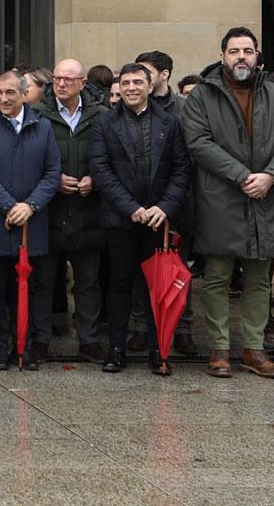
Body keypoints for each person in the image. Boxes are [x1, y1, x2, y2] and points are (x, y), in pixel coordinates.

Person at [180, 27, 274, 380]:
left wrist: (271, 175)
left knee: (259, 279)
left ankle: (254, 349)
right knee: (217, 276)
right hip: (221, 197)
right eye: (234, 51)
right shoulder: (203, 96)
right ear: (223, 56)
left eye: (247, 51)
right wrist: (242, 175)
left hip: (267, 196)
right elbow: (198, 142)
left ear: (257, 55)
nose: (241, 57)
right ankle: (219, 349)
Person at [86, 63, 190, 375]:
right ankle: (116, 350)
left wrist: (164, 207)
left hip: (158, 219)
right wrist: (130, 207)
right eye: (126, 82)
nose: (131, 87)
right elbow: (101, 170)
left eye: (137, 82)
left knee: (156, 287)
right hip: (121, 219)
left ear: (149, 86)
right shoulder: (104, 123)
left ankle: (159, 351)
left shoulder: (170, 122)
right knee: (119, 283)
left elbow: (182, 169)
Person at [0, 69, 62, 371]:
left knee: (29, 288)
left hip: (32, 223)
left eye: (10, 93)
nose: (3, 98)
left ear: (24, 94)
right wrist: (9, 206)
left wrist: (30, 206)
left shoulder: (42, 126)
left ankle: (25, 345)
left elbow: (51, 172)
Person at [31, 58, 104, 361]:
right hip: (50, 208)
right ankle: (40, 339)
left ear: (83, 83)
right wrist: (53, 180)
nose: (61, 84)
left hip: (89, 211)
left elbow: (110, 157)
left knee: (88, 280)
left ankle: (88, 338)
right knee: (44, 280)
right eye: (57, 78)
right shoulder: (37, 114)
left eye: (68, 80)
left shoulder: (101, 115)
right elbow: (28, 160)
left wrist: (95, 180)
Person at [136, 51, 181, 117]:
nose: (140, 77)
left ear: (164, 74)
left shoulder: (184, 107)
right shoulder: (130, 104)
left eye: (147, 72)